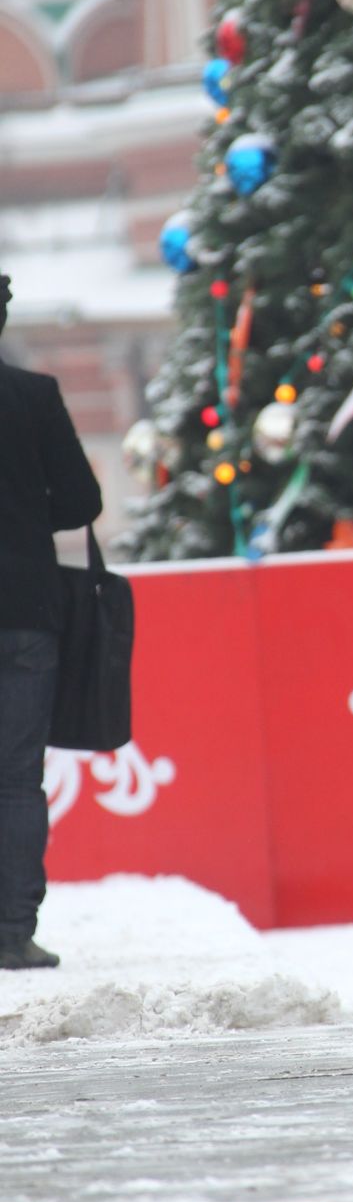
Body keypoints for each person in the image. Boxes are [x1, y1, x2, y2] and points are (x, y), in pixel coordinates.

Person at [0, 273, 103, 968]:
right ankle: (11, 933)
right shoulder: (33, 397)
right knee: (15, 778)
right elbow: (81, 501)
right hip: (26, 617)